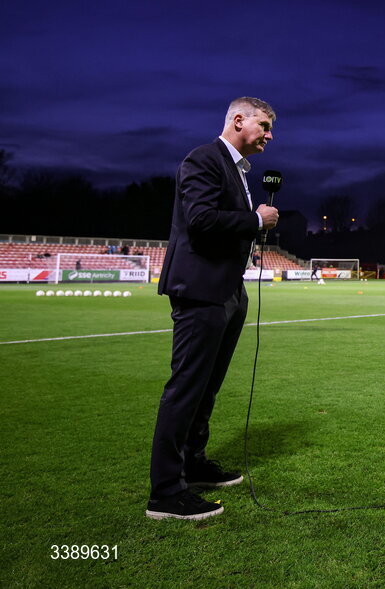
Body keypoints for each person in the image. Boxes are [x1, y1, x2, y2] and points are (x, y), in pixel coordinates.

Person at [147, 97, 279, 521]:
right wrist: (256, 220)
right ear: (238, 120)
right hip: (201, 290)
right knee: (187, 386)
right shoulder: (204, 158)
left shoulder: (237, 168)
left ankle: (193, 463)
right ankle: (165, 493)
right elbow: (201, 220)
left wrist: (251, 225)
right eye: (263, 125)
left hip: (227, 290)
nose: (269, 135)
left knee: (208, 387)